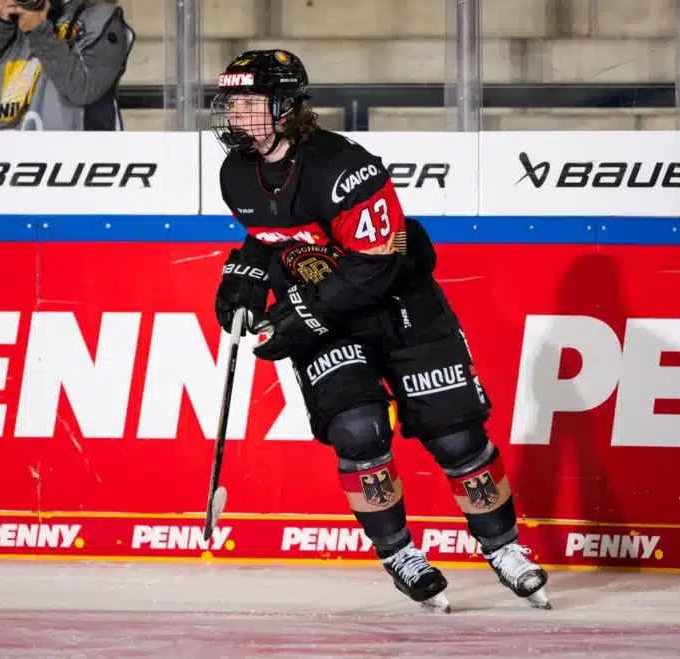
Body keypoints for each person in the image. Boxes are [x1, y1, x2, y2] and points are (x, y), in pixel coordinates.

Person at [210, 49, 551, 613]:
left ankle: (504, 548)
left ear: (286, 107)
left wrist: (302, 314)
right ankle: (399, 554)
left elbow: (376, 264)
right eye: (232, 102)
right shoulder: (235, 174)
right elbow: (273, 237)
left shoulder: (345, 166)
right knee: (358, 431)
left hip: (399, 303)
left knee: (456, 436)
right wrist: (244, 277)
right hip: (327, 305)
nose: (236, 114)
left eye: (250, 102)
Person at [0, 0, 135, 131]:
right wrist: (0, 24)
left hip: (63, 161)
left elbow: (84, 88)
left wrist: (39, 31)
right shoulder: (16, 16)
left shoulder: (101, 20)